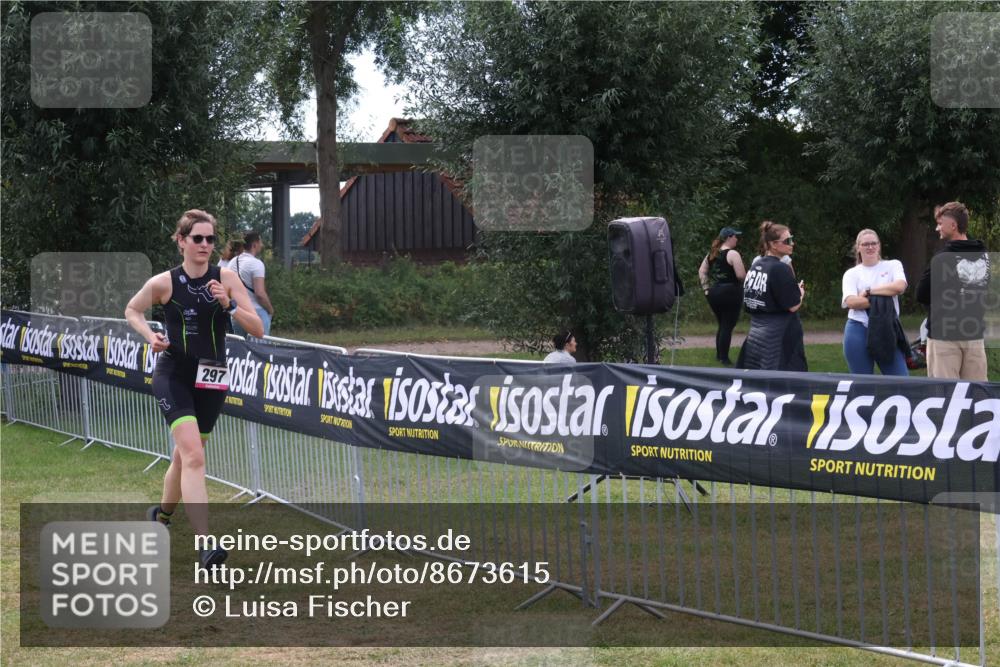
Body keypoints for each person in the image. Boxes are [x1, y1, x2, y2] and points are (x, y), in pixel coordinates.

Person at [124, 209, 263, 569]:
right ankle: (205, 546)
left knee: (184, 457)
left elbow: (258, 329)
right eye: (197, 238)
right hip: (174, 375)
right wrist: (150, 335)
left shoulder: (227, 278)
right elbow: (132, 310)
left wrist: (229, 304)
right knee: (195, 458)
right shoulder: (165, 283)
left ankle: (161, 517)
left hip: (213, 377)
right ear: (182, 241)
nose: (205, 245)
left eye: (210, 239)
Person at [915, 201, 990, 381]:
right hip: (974, 335)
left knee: (945, 397)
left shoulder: (942, 259)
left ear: (953, 225)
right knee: (976, 397)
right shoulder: (984, 255)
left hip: (944, 337)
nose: (937, 228)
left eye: (940, 224)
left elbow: (921, 294)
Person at [737, 221, 807, 371]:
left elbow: (749, 301)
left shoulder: (756, 265)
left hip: (756, 333)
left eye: (792, 239)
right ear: (774, 244)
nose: (792, 243)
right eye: (787, 241)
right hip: (778, 336)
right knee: (782, 383)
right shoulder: (780, 268)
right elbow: (793, 306)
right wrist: (800, 293)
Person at [841, 229, 909, 375]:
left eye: (873, 243)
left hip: (887, 328)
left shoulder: (893, 265)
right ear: (858, 247)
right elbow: (851, 302)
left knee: (901, 381)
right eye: (865, 244)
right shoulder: (851, 274)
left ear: (879, 245)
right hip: (858, 329)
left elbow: (900, 286)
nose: (870, 247)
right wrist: (885, 296)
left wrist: (869, 292)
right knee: (862, 384)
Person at [698, 226, 746, 366]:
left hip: (715, 292)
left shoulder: (713, 253)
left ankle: (720, 356)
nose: (737, 239)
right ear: (729, 237)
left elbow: (702, 271)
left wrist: (706, 289)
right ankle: (724, 358)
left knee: (722, 324)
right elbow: (741, 275)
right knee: (727, 325)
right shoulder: (733, 254)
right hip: (731, 292)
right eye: (735, 236)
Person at [231, 232, 274, 336]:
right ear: (254, 245)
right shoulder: (256, 264)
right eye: (260, 242)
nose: (262, 245)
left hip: (237, 313)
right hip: (256, 313)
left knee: (240, 350)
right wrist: (270, 310)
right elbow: (260, 294)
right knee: (258, 350)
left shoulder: (232, 262)